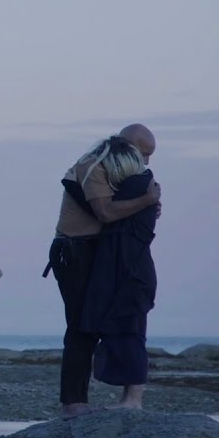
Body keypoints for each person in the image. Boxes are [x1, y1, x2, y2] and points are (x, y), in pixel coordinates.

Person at [44, 124, 161, 418]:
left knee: (101, 322)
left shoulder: (119, 170)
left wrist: (147, 209)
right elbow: (106, 212)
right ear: (127, 145)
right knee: (82, 327)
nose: (146, 162)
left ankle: (112, 397)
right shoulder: (92, 166)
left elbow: (123, 210)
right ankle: (73, 403)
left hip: (99, 252)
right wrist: (146, 201)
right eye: (144, 154)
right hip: (74, 251)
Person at [82, 140, 159, 409]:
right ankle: (129, 398)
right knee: (125, 330)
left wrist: (149, 200)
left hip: (132, 271)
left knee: (131, 331)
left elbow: (106, 213)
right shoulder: (140, 187)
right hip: (128, 269)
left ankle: (133, 399)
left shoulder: (139, 185)